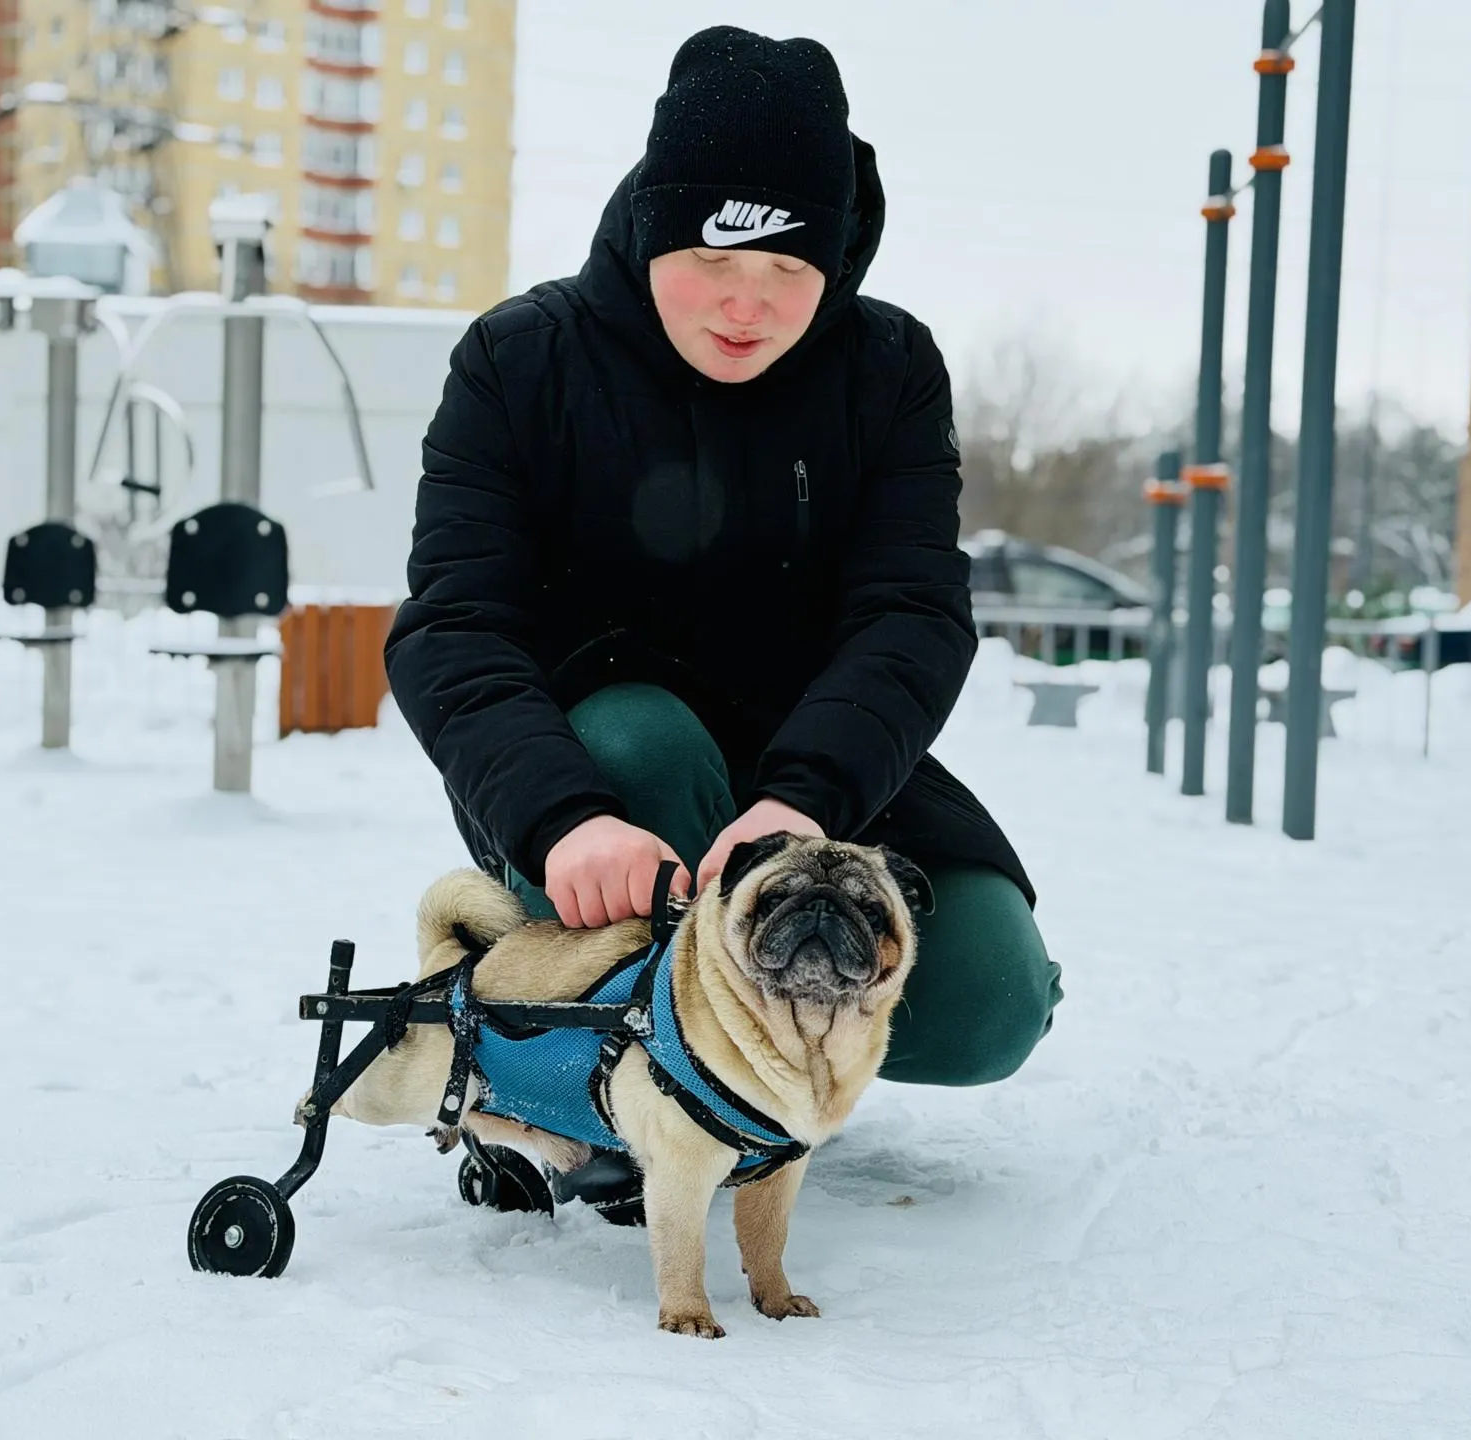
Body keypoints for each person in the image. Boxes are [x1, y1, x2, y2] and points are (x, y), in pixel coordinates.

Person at [384, 25, 1062, 1215]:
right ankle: (593, 1080)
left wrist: (808, 798)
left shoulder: (889, 371)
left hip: (808, 770)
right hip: (595, 778)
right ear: (657, 225)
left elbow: (911, 614)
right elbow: (453, 627)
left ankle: (751, 1059)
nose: (750, 305)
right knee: (641, 739)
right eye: (713, 259)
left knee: (993, 1005)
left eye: (791, 270)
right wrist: (562, 820)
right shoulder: (519, 361)